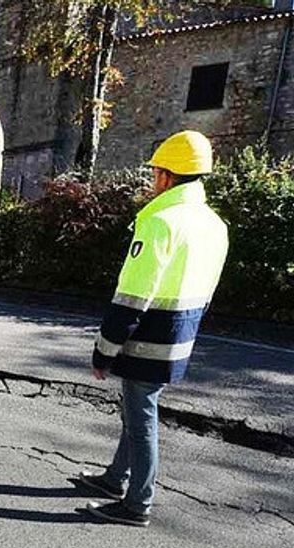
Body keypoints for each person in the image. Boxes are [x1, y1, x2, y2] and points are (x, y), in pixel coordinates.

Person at [80, 130, 229, 527]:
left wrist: (105, 349)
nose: (152, 180)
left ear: (166, 176)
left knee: (141, 418)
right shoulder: (215, 225)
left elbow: (132, 296)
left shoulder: (162, 221)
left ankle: (137, 503)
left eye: (155, 173)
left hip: (148, 339)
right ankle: (114, 480)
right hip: (180, 336)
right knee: (136, 411)